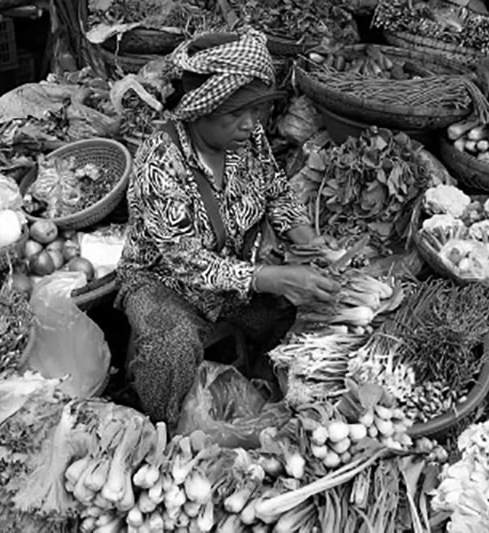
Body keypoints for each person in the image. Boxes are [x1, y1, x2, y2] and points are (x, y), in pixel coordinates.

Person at [116, 30, 340, 425]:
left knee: (306, 305)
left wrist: (308, 241)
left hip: (236, 272)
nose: (251, 123)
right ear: (202, 108)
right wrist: (269, 277)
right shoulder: (160, 163)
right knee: (172, 346)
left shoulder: (249, 139)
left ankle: (258, 390)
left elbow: (276, 193)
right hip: (166, 283)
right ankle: (165, 428)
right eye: (237, 112)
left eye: (255, 110)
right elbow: (187, 262)